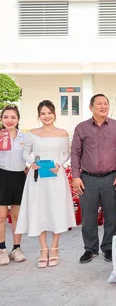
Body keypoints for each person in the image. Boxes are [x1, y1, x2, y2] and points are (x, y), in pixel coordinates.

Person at [15, 100, 76, 268]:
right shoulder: (32, 133)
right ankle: (43, 248)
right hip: (37, 177)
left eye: (49, 112)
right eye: (43, 113)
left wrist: (58, 164)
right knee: (39, 209)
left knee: (56, 209)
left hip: (56, 175)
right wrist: (32, 163)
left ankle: (55, 248)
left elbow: (66, 154)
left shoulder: (63, 133)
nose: (46, 116)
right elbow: (25, 153)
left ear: (54, 114)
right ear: (39, 115)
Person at [71, 94, 116, 263]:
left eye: (106, 103)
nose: (103, 106)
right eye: (99, 104)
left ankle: (109, 248)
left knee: (111, 216)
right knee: (88, 217)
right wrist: (76, 176)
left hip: (111, 178)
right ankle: (90, 249)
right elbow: (75, 152)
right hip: (87, 179)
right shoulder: (81, 128)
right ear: (91, 107)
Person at [0, 105, 28, 265]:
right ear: (1, 119)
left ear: (18, 120)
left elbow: (31, 155)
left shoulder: (24, 138)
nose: (9, 120)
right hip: (2, 175)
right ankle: (1, 249)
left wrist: (30, 166)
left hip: (19, 177)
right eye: (6, 117)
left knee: (17, 216)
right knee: (2, 215)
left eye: (13, 117)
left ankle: (16, 248)